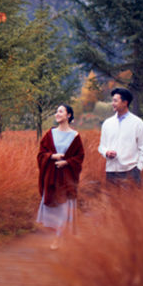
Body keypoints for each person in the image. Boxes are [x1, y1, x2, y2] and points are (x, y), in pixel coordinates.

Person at [36, 104, 85, 249]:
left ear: (68, 115)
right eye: (56, 111)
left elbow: (79, 156)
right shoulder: (49, 134)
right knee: (54, 208)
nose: (57, 114)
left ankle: (59, 238)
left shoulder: (75, 136)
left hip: (67, 177)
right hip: (51, 177)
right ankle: (58, 235)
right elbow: (40, 154)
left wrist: (67, 162)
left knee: (64, 207)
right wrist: (52, 156)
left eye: (61, 111)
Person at [98, 88, 143, 186]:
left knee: (132, 201)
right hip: (111, 171)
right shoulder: (107, 123)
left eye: (115, 101)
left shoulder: (137, 123)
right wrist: (106, 152)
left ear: (125, 102)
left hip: (131, 171)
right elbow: (102, 146)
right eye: (113, 100)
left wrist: (138, 168)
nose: (112, 103)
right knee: (111, 201)